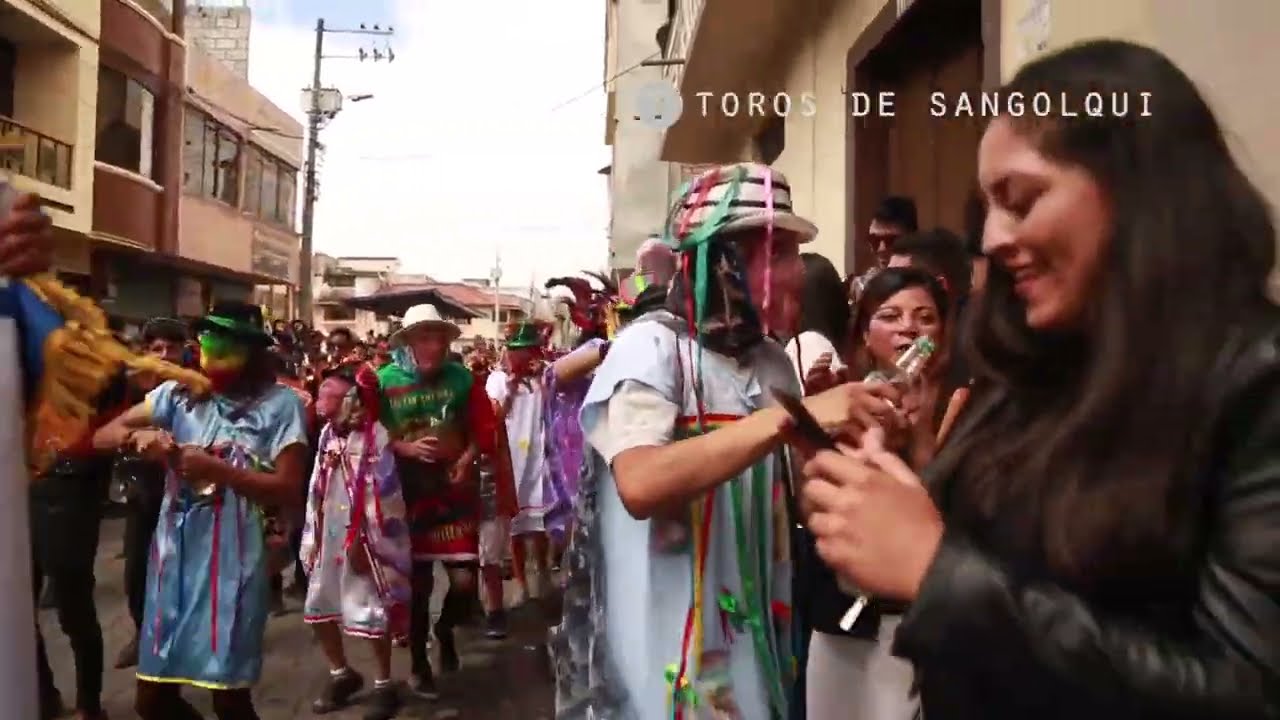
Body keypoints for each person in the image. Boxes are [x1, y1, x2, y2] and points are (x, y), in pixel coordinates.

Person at [799, 39, 1280, 720]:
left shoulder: (1255, 386)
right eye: (987, 209)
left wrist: (937, 573)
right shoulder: (1035, 368)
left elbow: (1248, 693)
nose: (992, 238)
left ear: (1135, 189)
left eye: (1019, 200)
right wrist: (876, 496)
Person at [551, 162, 890, 719]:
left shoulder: (773, 363)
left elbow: (795, 500)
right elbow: (641, 483)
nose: (797, 273)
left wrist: (846, 446)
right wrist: (787, 420)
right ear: (723, 259)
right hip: (667, 658)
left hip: (761, 649)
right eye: (777, 253)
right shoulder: (649, 350)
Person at [93, 301, 308, 720]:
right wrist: (140, 439)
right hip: (174, 562)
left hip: (237, 563)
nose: (214, 351)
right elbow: (105, 434)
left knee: (228, 698)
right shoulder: (177, 394)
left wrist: (218, 471)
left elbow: (287, 487)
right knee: (152, 701)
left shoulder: (282, 405)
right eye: (209, 339)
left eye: (229, 342)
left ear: (253, 351)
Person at [798, 267, 950, 720]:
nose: (909, 327)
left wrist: (920, 434)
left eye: (925, 317)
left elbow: (949, 514)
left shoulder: (963, 403)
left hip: (916, 620)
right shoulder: (848, 402)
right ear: (866, 333)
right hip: (840, 618)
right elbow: (812, 506)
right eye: (891, 315)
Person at [376, 303, 497, 697]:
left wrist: (466, 458)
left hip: (455, 491)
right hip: (406, 495)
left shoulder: (463, 379)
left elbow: (484, 427)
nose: (433, 345)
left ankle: (445, 629)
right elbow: (372, 435)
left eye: (439, 337)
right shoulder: (384, 381)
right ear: (409, 341)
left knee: (464, 580)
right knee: (418, 586)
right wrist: (404, 450)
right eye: (424, 337)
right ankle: (418, 664)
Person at [302, 364, 411, 720]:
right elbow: (316, 486)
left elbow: (386, 494)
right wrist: (312, 536)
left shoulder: (375, 435)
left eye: (326, 395)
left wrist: (370, 542)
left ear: (349, 399)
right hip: (326, 534)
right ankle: (341, 673)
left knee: (370, 610)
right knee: (318, 606)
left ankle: (383, 683)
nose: (319, 401)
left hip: (362, 538)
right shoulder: (326, 434)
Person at [115, 317, 190, 670]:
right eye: (157, 348)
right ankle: (142, 633)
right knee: (138, 567)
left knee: (187, 565)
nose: (165, 355)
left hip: (190, 487)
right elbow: (113, 429)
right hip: (145, 485)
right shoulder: (132, 385)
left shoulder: (197, 385)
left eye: (172, 348)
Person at [486, 321, 553, 608]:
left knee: (540, 523)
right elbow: (496, 417)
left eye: (525, 350)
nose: (520, 356)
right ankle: (520, 583)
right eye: (515, 351)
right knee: (514, 526)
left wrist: (543, 378)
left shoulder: (546, 376)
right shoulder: (497, 380)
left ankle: (542, 574)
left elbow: (555, 407)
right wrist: (513, 385)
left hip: (539, 451)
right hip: (511, 454)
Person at [847, 196, 917, 304]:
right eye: (874, 240)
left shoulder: (925, 286)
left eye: (891, 241)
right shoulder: (865, 285)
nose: (881, 249)